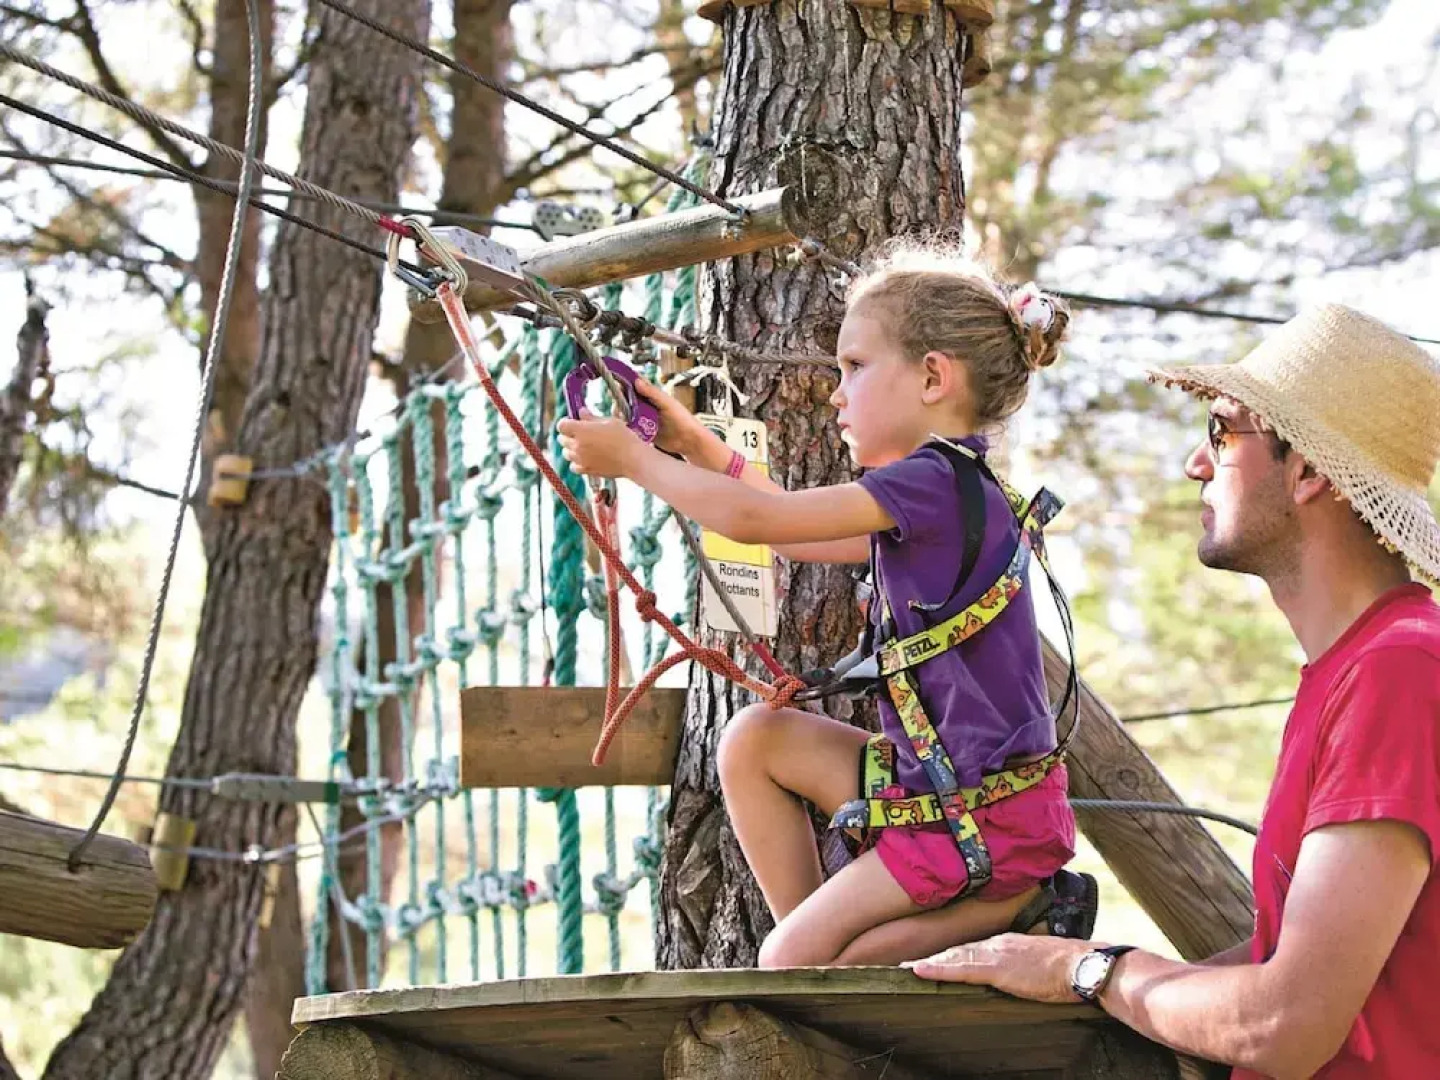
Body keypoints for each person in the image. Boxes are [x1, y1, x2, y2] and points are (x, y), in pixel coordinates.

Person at [905, 303, 1440, 1079]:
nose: (1196, 462)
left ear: (1310, 470)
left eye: (1223, 432)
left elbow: (1285, 1024)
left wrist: (1086, 971)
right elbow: (1281, 968)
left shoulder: (1397, 673)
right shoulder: (1367, 667)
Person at [557, 242, 1095, 967]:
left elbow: (756, 524)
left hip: (979, 820)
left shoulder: (933, 481)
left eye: (855, 367)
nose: (837, 392)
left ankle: (1019, 908)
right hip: (949, 792)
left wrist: (638, 463)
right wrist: (694, 446)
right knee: (756, 741)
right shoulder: (948, 494)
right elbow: (789, 524)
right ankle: (815, 943)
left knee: (791, 967)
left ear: (934, 376)